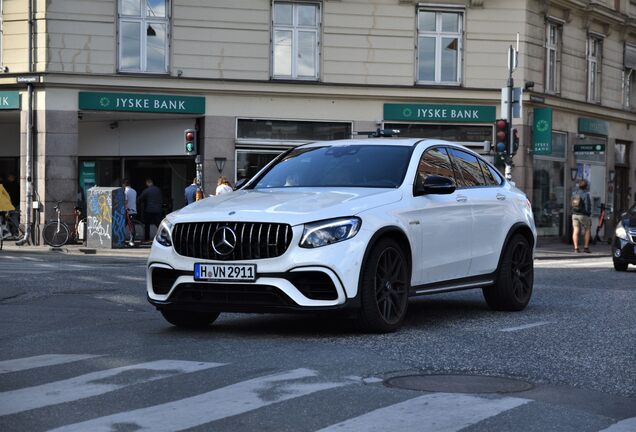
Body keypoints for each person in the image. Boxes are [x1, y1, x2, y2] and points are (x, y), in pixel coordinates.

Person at [571, 179, 592, 253]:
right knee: (587, 229)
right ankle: (586, 247)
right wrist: (588, 213)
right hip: (583, 214)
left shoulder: (574, 193)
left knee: (575, 230)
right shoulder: (586, 194)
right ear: (586, 186)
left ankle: (576, 248)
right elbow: (587, 205)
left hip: (574, 214)